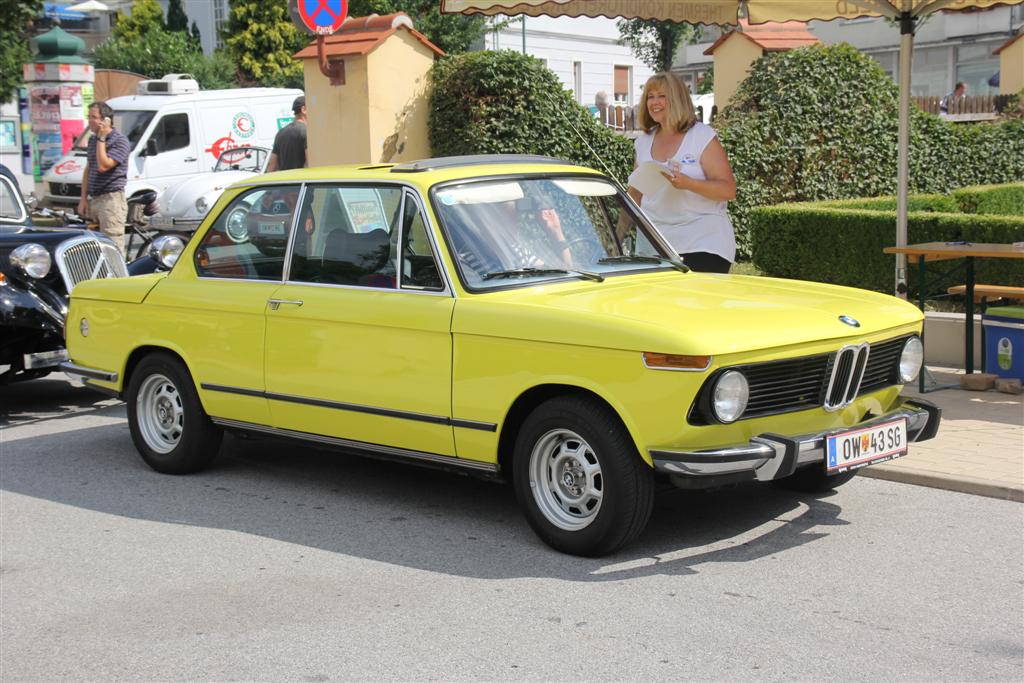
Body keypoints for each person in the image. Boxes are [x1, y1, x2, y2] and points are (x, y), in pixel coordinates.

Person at [628, 72, 737, 273]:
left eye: (662, 96)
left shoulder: (701, 136)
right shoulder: (643, 142)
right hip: (655, 244)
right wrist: (615, 237)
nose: (655, 102)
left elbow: (728, 190)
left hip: (703, 243)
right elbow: (634, 195)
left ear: (677, 99)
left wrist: (689, 183)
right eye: (650, 96)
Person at [78, 101, 130, 255]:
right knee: (95, 248)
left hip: (111, 201)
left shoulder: (120, 141)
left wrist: (102, 139)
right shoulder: (93, 140)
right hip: (95, 199)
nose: (90, 121)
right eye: (89, 117)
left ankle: (118, 277)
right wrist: (83, 198)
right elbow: (90, 167)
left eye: (93, 117)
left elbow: (103, 165)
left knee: (112, 247)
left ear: (106, 120)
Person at [266, 95, 308, 172]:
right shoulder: (307, 132)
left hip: (286, 181)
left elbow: (272, 166)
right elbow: (310, 162)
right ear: (304, 109)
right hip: (302, 180)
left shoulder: (281, 132)